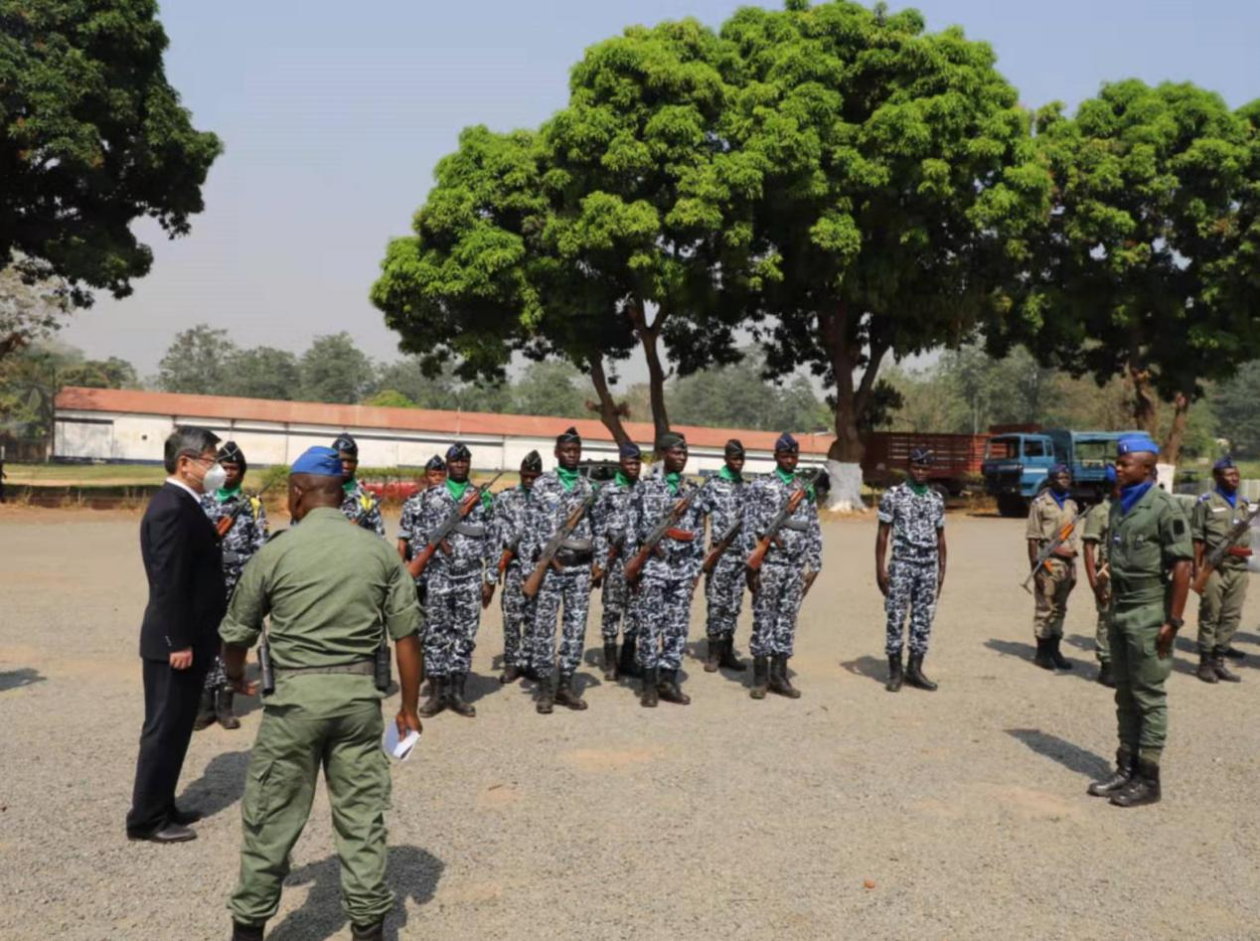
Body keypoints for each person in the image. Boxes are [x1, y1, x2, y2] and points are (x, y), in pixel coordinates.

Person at [218, 446, 423, 941]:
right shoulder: (376, 550)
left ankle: (248, 930)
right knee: (362, 821)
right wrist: (409, 710)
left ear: (296, 493)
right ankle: (369, 929)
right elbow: (407, 639)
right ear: (341, 493)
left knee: (271, 820)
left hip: (293, 705)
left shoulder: (276, 551)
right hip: (357, 705)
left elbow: (236, 634)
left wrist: (233, 677)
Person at [126, 425, 227, 844]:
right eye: (210, 459)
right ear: (184, 463)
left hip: (190, 639)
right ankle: (146, 819)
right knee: (164, 728)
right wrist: (179, 641)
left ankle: (164, 804)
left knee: (177, 726)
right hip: (174, 645)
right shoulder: (171, 507)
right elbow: (167, 582)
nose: (217, 467)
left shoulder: (187, 503)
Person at [1088, 435, 1191, 808]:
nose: (1118, 466)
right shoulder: (1118, 506)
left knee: (1148, 696)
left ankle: (1149, 779)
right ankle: (1126, 767)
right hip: (1121, 606)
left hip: (1149, 608)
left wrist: (1173, 620)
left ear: (1147, 469)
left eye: (1125, 463)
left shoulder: (1164, 508)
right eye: (1118, 462)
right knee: (1124, 692)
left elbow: (1182, 565)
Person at [411, 443, 495, 718]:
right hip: (438, 575)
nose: (459, 465)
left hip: (470, 576)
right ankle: (437, 693)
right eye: (455, 461)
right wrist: (420, 579)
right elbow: (420, 536)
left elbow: (493, 538)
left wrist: (490, 578)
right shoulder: (431, 496)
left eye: (464, 461)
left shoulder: (482, 498)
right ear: (447, 464)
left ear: (469, 464)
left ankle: (457, 693)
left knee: (464, 635)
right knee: (436, 635)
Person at [625, 432, 708, 707]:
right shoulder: (646, 486)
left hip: (682, 571)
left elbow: (697, 532)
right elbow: (631, 529)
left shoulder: (691, 490)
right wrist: (635, 565)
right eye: (676, 453)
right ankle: (648, 685)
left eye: (684, 453)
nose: (681, 457)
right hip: (653, 568)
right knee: (649, 626)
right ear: (663, 454)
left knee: (677, 627)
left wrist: (695, 571)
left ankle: (668, 681)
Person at [521, 427, 598, 714]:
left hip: (578, 570)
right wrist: (535, 567)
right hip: (550, 569)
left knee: (575, 628)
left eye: (576, 450)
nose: (572, 454)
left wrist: (596, 562)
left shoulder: (587, 488)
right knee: (544, 628)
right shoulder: (542, 485)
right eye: (567, 450)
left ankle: (566, 684)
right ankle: (544, 687)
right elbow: (531, 527)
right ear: (556, 453)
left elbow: (597, 528)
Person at [743, 433, 823, 700]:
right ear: (776, 456)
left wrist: (815, 565)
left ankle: (780, 675)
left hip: (795, 566)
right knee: (764, 617)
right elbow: (748, 527)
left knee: (787, 619)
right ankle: (760, 677)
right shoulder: (761, 486)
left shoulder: (805, 488)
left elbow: (813, 527)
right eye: (785, 455)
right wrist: (750, 567)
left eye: (794, 455)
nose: (790, 459)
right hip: (770, 564)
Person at [196, 441, 269, 731]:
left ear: (242, 471)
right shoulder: (204, 500)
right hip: (208, 579)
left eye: (234, 468)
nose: (228, 472)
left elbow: (260, 547)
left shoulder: (251, 505)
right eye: (224, 467)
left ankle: (226, 705)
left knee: (233, 641)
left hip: (239, 582)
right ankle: (204, 706)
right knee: (206, 639)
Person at [876, 446, 946, 692]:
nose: (920, 472)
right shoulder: (893, 495)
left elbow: (941, 537)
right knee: (895, 617)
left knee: (923, 618)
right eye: (916, 467)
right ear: (909, 467)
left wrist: (941, 570)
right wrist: (880, 569)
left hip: (928, 566)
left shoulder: (936, 499)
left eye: (924, 468)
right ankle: (895, 672)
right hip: (902, 565)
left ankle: (915, 669)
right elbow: (883, 534)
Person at [1191, 456, 1251, 684]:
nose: (1235, 477)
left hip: (1239, 568)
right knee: (1210, 615)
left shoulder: (1244, 503)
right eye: (1229, 474)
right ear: (1217, 477)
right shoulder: (1205, 502)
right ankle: (1205, 663)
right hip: (1214, 567)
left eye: (1236, 473)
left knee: (1231, 616)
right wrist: (1197, 569)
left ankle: (1219, 660)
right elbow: (1197, 538)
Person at [591, 441, 643, 680]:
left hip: (638, 563)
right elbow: (598, 528)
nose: (634, 467)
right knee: (612, 610)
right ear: (621, 462)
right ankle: (610, 662)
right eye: (630, 462)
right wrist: (601, 562)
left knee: (634, 612)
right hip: (614, 563)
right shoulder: (606, 491)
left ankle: (628, 659)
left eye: (637, 462)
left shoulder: (645, 490)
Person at [491, 451, 543, 683]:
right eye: (526, 476)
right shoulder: (505, 498)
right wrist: (493, 569)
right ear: (520, 475)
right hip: (513, 568)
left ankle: (529, 661)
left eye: (534, 476)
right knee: (512, 617)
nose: (530, 481)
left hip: (538, 568)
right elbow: (495, 534)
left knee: (534, 616)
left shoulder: (547, 500)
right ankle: (512, 662)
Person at [701, 439, 750, 674]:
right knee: (716, 603)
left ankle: (728, 650)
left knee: (733, 605)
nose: (738, 462)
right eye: (734, 458)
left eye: (741, 458)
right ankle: (713, 652)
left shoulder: (747, 488)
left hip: (740, 557)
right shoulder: (713, 484)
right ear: (725, 458)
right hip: (719, 555)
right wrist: (704, 550)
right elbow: (701, 515)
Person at [1026, 463, 1079, 670]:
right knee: (1044, 608)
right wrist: (1035, 568)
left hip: (1067, 565)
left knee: (1060, 608)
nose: (1065, 481)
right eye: (1061, 478)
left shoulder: (1072, 504)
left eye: (1067, 477)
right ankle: (1042, 652)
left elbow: (1072, 537)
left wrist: (1073, 567)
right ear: (1051, 480)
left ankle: (1055, 650)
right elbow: (1032, 539)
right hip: (1047, 564)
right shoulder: (1039, 504)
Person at [1082, 465, 1120, 688]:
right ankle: (1106, 664)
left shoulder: (1128, 508)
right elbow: (1089, 548)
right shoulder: (1100, 512)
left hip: (1126, 573)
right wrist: (1094, 582)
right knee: (1106, 618)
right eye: (1119, 486)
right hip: (1106, 573)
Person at [334, 433, 386, 537]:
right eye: (342, 460)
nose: (346, 465)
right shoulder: (320, 492)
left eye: (350, 461)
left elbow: (379, 539)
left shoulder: (368, 499)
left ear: (356, 463)